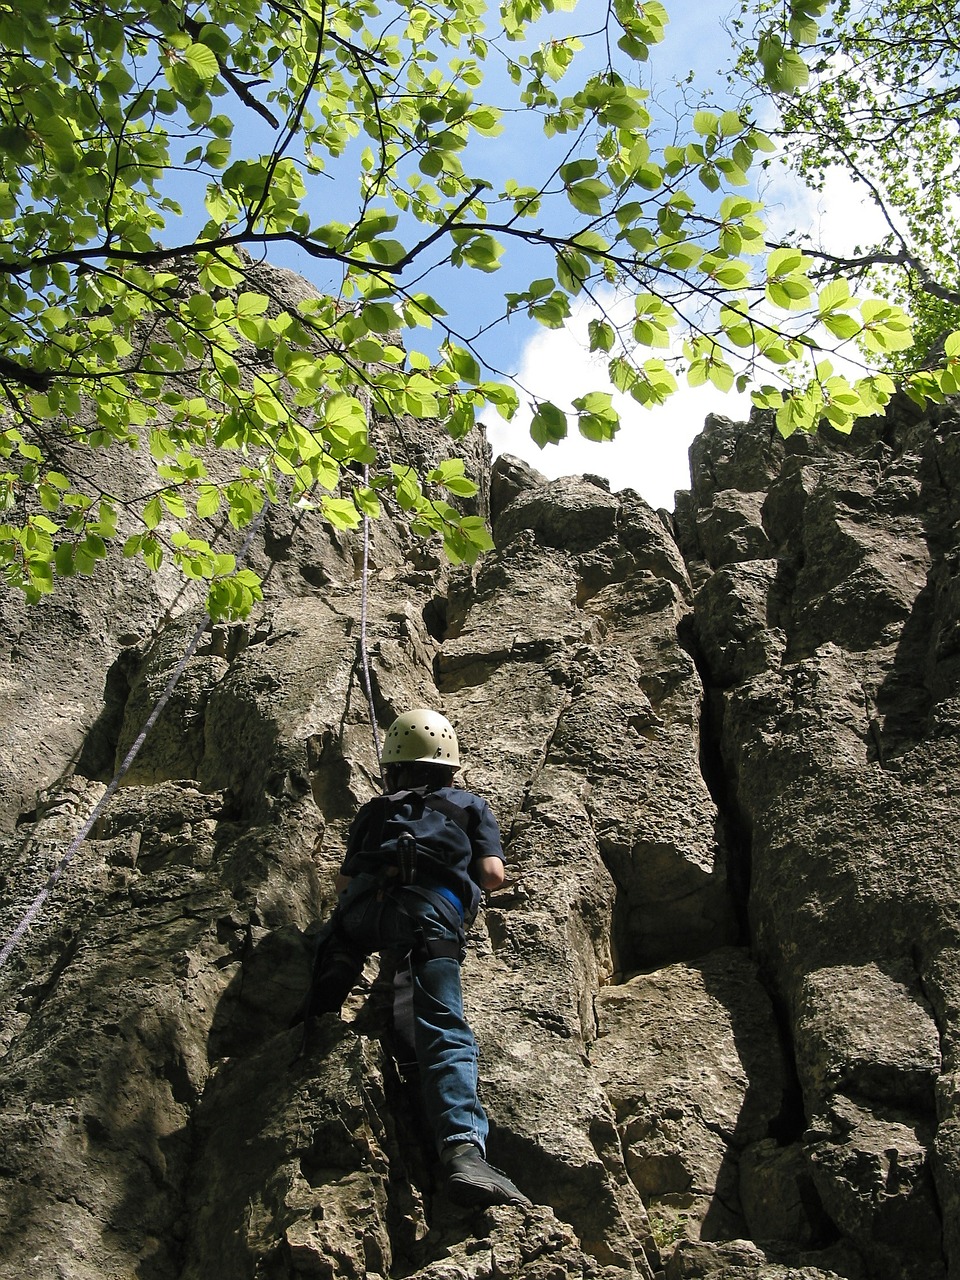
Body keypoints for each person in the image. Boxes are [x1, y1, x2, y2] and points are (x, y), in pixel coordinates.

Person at [307, 708, 530, 1209]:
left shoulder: (376, 807)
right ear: (449, 765)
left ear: (394, 765)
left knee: (342, 931)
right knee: (443, 1028)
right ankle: (462, 1153)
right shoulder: (470, 804)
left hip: (366, 906)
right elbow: (492, 874)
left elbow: (343, 883)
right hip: (427, 917)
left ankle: (333, 975)